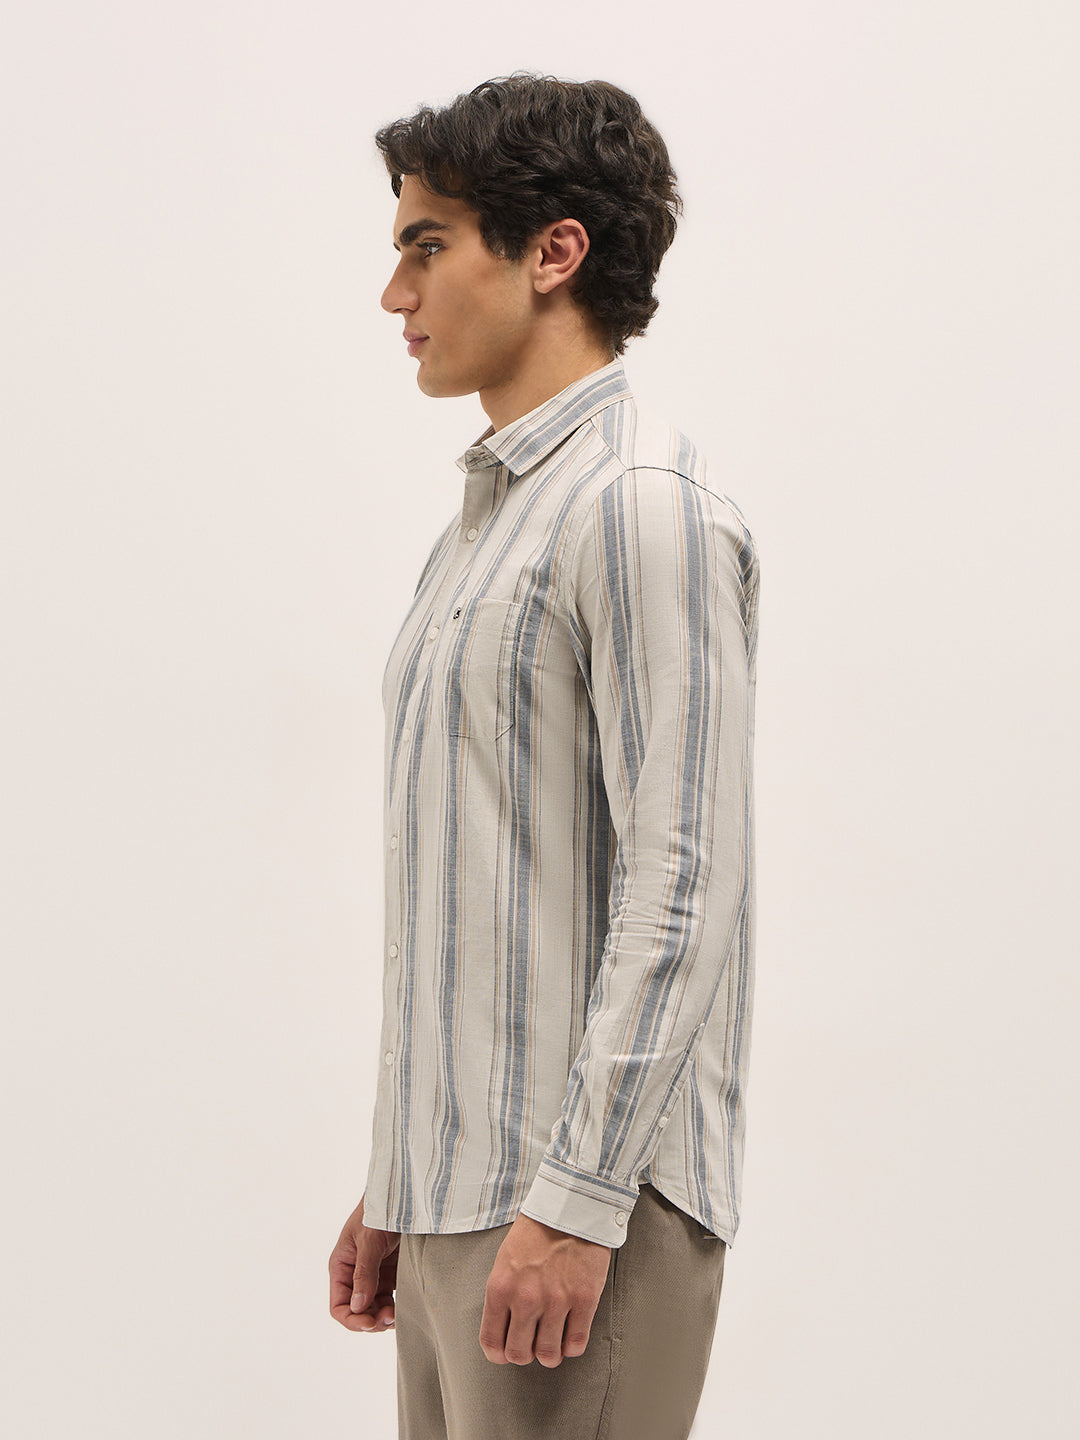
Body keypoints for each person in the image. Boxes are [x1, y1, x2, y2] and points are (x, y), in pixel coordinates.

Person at [329, 72, 760, 1440]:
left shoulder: (638, 509)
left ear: (553, 252)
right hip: (465, 1206)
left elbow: (683, 888)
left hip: (579, 1214)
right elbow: (480, 887)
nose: (395, 294)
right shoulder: (482, 531)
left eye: (427, 245)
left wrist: (576, 1205)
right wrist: (400, 1172)